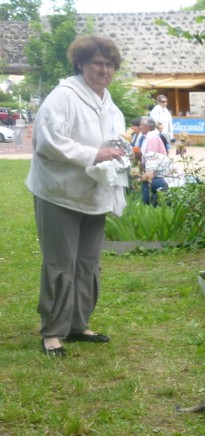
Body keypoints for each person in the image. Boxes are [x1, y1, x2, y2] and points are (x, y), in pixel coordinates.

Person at [26, 35, 129, 357]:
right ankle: (53, 333)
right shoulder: (63, 97)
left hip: (94, 193)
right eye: (98, 63)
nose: (104, 70)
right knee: (61, 264)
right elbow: (48, 142)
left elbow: (114, 141)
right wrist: (94, 154)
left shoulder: (108, 102)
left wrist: (121, 156)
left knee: (87, 264)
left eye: (110, 64)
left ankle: (77, 324)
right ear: (81, 63)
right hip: (59, 193)